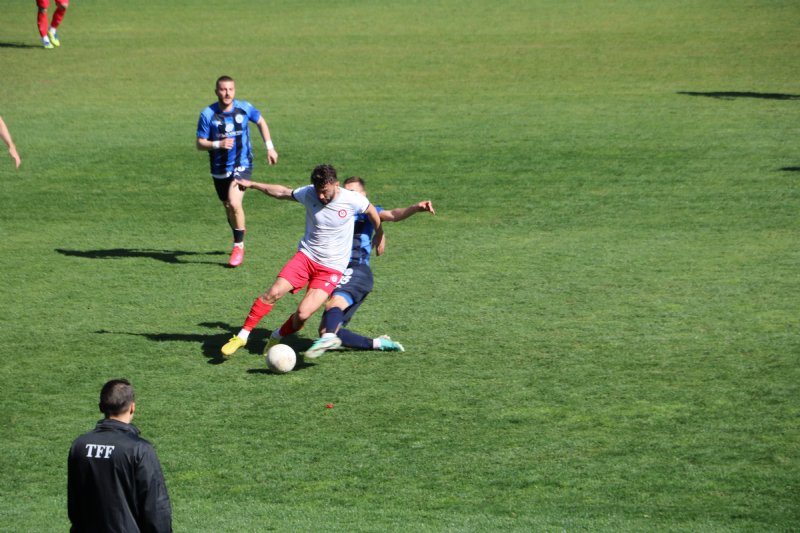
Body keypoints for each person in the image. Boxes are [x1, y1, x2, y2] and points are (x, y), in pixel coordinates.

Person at [220, 164, 382, 359]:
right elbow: (282, 192)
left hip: (331, 268)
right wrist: (253, 184)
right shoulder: (309, 193)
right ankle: (242, 336)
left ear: (336, 185)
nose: (321, 197)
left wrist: (380, 234)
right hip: (306, 257)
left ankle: (277, 335)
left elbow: (373, 212)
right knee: (273, 292)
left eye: (325, 192)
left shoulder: (353, 199)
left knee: (303, 315)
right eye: (318, 191)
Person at [309, 176, 435, 357]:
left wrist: (415, 208)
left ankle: (329, 337)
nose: (349, 195)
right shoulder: (337, 211)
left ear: (364, 195)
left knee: (333, 305)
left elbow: (392, 214)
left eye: (354, 191)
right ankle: (379, 343)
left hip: (357, 270)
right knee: (327, 330)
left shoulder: (365, 212)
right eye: (346, 191)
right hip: (338, 272)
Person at [68, 379, 173, 533]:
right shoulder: (139, 449)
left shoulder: (79, 445)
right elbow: (156, 508)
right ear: (132, 407)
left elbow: (74, 503)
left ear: (101, 407)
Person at [196, 75, 278, 267]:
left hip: (242, 164)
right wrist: (219, 143)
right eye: (223, 89)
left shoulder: (244, 108)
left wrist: (269, 147)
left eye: (230, 89)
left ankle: (238, 245)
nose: (227, 93)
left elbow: (261, 122)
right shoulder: (207, 114)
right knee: (228, 206)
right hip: (219, 169)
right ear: (216, 91)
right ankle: (238, 231)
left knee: (234, 203)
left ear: (235, 90)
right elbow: (200, 144)